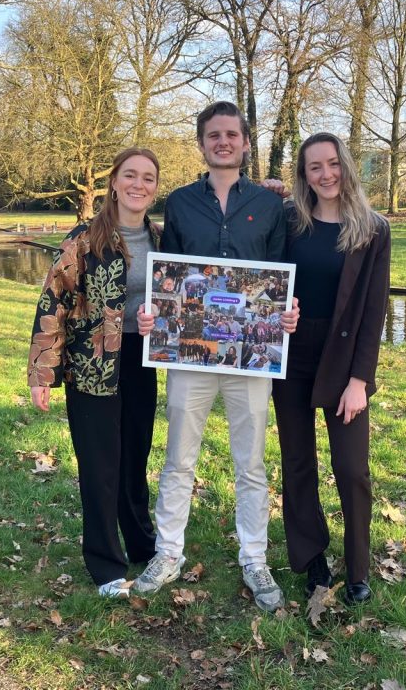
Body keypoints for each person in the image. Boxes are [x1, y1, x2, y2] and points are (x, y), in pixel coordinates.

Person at [135, 101, 298, 613]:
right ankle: (168, 553)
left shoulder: (271, 205)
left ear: (246, 143)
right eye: (213, 135)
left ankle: (255, 558)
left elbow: (279, 275)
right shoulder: (181, 203)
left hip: (252, 356)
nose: (223, 142)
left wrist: (287, 312)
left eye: (231, 134)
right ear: (202, 143)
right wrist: (155, 315)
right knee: (178, 459)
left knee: (250, 463)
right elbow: (169, 276)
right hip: (190, 353)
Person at [27, 147, 161, 599]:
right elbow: (53, 301)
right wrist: (42, 372)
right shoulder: (86, 239)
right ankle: (105, 564)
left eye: (148, 178)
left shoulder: (161, 240)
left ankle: (142, 542)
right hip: (91, 366)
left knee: (134, 459)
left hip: (141, 360)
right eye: (130, 175)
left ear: (155, 188)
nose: (139, 184)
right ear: (115, 183)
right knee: (101, 464)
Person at [271, 132, 391, 606]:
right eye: (314, 167)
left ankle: (358, 567)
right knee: (298, 461)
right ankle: (311, 558)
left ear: (346, 165)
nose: (326, 174)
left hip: (343, 359)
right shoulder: (289, 221)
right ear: (303, 175)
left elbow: (374, 312)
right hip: (292, 352)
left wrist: (360, 381)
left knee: (351, 467)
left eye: (333, 163)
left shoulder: (373, 229)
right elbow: (269, 280)